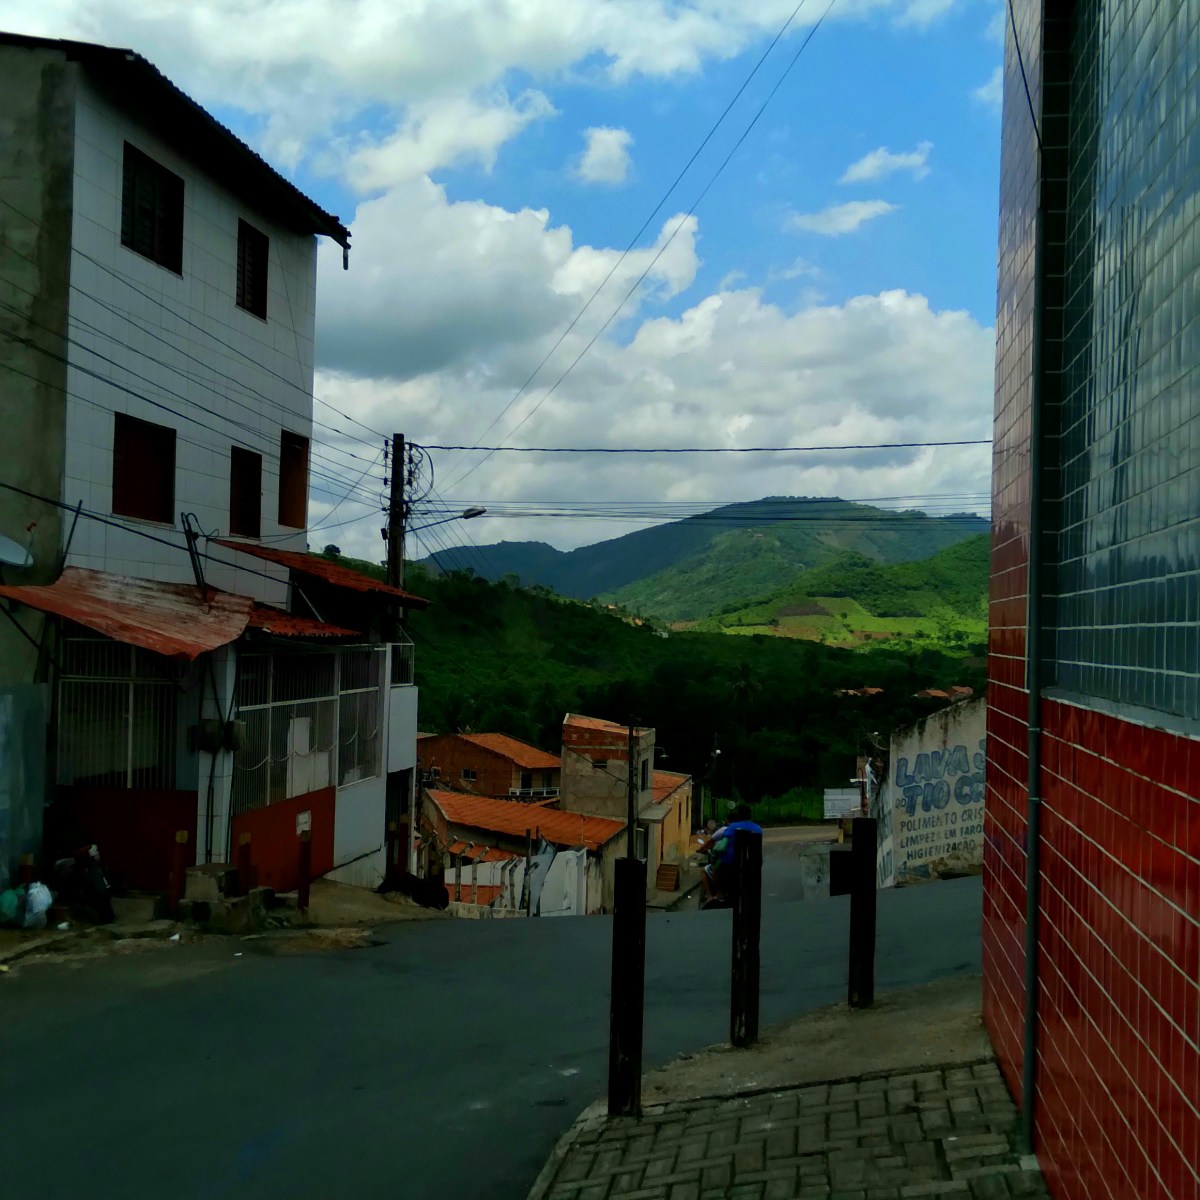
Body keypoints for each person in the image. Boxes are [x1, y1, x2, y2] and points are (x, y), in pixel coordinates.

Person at [698, 804, 762, 902]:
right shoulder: (758, 829)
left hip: (730, 863)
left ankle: (720, 894)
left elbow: (722, 843)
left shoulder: (732, 827)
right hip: (753, 864)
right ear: (750, 815)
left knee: (716, 868)